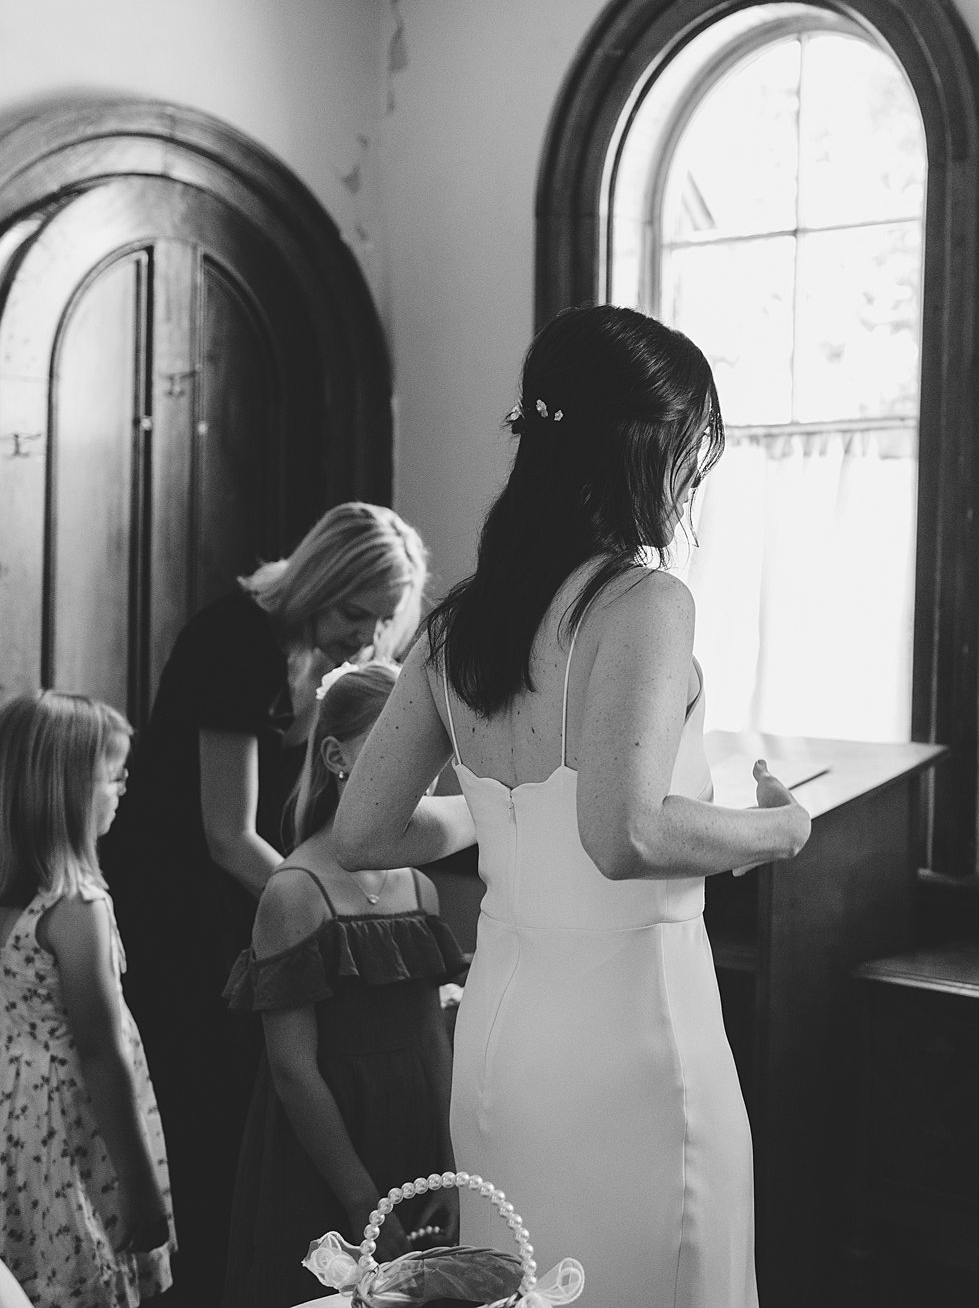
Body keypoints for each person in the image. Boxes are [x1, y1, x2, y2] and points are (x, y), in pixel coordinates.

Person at [300, 304, 811, 1308]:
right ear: (651, 448)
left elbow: (360, 831)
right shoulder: (643, 604)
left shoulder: (463, 620)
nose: (696, 472)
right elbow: (624, 834)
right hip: (634, 1039)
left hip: (504, 1038)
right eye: (694, 445)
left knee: (521, 1283)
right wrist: (779, 831)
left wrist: (497, 824)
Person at [100, 501, 429, 1302]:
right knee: (206, 1120)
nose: (366, 636)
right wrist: (322, 906)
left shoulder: (321, 654)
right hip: (174, 908)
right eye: (356, 612)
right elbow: (227, 835)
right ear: (321, 582)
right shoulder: (235, 642)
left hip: (236, 908)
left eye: (384, 621)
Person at [221, 660, 467, 1307]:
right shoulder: (294, 894)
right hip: (329, 1156)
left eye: (432, 751)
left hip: (413, 1141)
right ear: (336, 755)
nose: (425, 770)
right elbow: (293, 1071)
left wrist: (446, 1160)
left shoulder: (422, 887)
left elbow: (432, 1040)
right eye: (399, 748)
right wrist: (360, 1195)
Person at [0, 691, 172, 1308]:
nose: (122, 789)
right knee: (80, 1261)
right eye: (113, 777)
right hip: (66, 1130)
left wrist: (4, 1062)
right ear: (64, 792)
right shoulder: (79, 909)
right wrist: (140, 1185)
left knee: (7, 1273)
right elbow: (99, 1051)